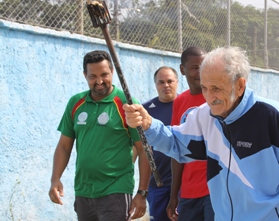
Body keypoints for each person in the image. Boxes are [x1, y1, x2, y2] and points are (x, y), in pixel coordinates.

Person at [123, 46, 279, 220]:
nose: (209, 96)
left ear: (240, 85)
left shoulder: (271, 116)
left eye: (216, 88)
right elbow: (177, 145)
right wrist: (149, 124)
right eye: (205, 87)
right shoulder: (204, 115)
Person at [48, 50, 151, 220]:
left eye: (104, 74)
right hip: (83, 191)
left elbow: (144, 149)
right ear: (85, 75)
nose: (99, 81)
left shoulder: (126, 104)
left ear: (112, 72)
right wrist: (55, 179)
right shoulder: (76, 103)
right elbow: (64, 146)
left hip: (115, 190)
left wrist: (142, 192)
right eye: (93, 76)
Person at [167, 46, 214, 221]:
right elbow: (177, 147)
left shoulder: (216, 98)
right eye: (195, 68)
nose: (200, 73)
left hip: (214, 189)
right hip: (188, 192)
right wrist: (174, 195)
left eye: (204, 67)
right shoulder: (180, 102)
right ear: (182, 69)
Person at [142, 66, 179, 221]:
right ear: (155, 84)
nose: (166, 85)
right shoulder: (146, 110)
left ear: (177, 82)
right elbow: (138, 146)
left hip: (182, 183)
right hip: (157, 183)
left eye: (170, 81)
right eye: (161, 82)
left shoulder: (185, 105)